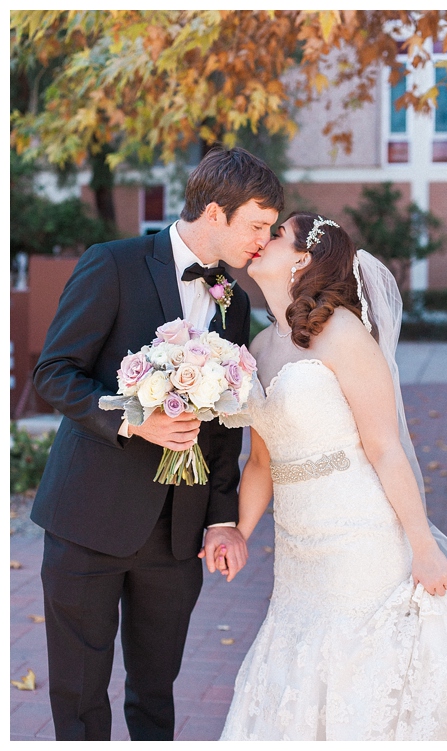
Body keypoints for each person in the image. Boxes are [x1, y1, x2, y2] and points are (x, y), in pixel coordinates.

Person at [30, 146, 283, 741]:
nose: (263, 241)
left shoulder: (235, 302)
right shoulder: (112, 264)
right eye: (257, 225)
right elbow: (54, 372)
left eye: (272, 230)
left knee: (155, 694)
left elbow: (225, 424)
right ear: (216, 213)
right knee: (79, 695)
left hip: (175, 535)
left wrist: (222, 521)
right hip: (87, 521)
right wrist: (132, 418)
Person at [216, 212, 447, 740]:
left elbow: (386, 449)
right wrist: (240, 531)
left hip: (360, 539)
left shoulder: (345, 336)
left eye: (275, 233)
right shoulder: (257, 350)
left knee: (357, 676)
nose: (261, 239)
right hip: (298, 550)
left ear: (303, 258)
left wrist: (423, 546)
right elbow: (260, 463)